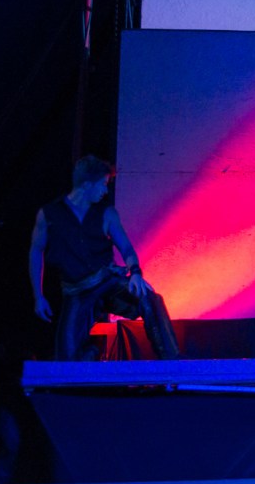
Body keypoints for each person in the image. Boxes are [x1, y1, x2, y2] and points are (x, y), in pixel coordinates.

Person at [29, 155, 179, 361]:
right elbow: (36, 252)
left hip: (107, 283)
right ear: (87, 185)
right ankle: (92, 353)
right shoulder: (49, 214)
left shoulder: (106, 213)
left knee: (150, 298)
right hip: (77, 291)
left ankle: (171, 360)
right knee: (67, 359)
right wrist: (38, 296)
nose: (105, 191)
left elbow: (126, 248)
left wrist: (136, 273)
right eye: (103, 184)